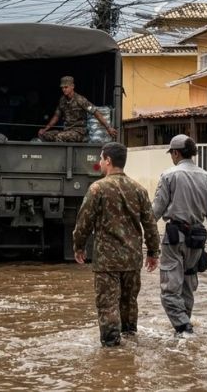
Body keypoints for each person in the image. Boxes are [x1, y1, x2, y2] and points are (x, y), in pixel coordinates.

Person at [73, 142, 160, 347]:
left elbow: (83, 222)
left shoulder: (97, 189)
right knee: (129, 304)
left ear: (109, 161)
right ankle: (130, 344)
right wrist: (153, 252)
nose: (99, 162)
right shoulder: (138, 189)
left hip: (107, 261)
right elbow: (150, 224)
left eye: (101, 159)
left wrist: (78, 247)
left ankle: (112, 352)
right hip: (132, 259)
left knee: (107, 305)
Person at [153, 134, 207, 337]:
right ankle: (184, 328)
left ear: (176, 153)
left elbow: (155, 212)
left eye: (172, 154)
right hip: (197, 239)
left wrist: (145, 238)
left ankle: (184, 328)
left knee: (169, 290)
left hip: (174, 238)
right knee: (187, 287)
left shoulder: (169, 175)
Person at [38, 76, 117, 142]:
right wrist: (45, 129)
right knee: (44, 135)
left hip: (79, 132)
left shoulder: (80, 100)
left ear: (72, 86)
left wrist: (108, 127)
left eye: (66, 87)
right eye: (62, 88)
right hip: (66, 131)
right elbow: (56, 116)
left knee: (60, 137)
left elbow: (95, 112)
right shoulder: (62, 100)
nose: (64, 89)